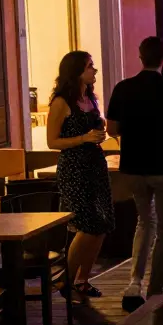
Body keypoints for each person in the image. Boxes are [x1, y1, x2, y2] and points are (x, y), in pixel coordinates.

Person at [106, 38, 163, 312]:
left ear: (140, 57)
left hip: (134, 167)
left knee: (144, 221)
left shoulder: (123, 88)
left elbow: (112, 129)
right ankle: (156, 288)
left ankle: (134, 282)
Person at [46, 51, 112, 302]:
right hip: (74, 168)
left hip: (95, 164)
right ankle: (67, 280)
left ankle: (83, 279)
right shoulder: (62, 102)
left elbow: (94, 129)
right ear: (76, 72)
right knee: (86, 225)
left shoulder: (90, 98)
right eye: (89, 67)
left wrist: (99, 134)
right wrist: (84, 138)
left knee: (102, 224)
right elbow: (53, 141)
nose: (94, 71)